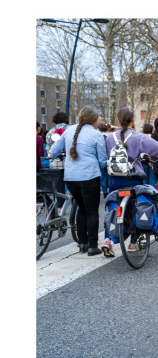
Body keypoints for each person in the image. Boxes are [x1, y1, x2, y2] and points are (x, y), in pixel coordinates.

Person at [101, 107, 158, 257]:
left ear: (118, 120)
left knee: (113, 206)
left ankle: (107, 239)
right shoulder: (137, 137)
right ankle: (134, 242)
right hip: (134, 179)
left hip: (114, 180)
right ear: (133, 119)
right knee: (137, 206)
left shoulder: (109, 138)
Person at [46, 105, 107, 257]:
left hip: (71, 177)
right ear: (94, 120)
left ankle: (82, 243)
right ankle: (93, 246)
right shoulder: (96, 135)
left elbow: (52, 152)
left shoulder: (68, 131)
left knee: (81, 208)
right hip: (89, 176)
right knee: (92, 211)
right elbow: (103, 161)